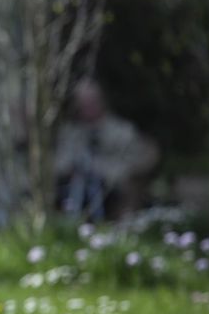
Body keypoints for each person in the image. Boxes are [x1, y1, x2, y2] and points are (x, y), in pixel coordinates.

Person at [55, 78, 159, 220]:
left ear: (102, 101)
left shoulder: (122, 131)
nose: (88, 107)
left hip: (113, 192)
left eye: (92, 102)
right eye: (83, 104)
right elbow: (60, 164)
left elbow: (143, 159)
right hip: (76, 194)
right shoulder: (70, 134)